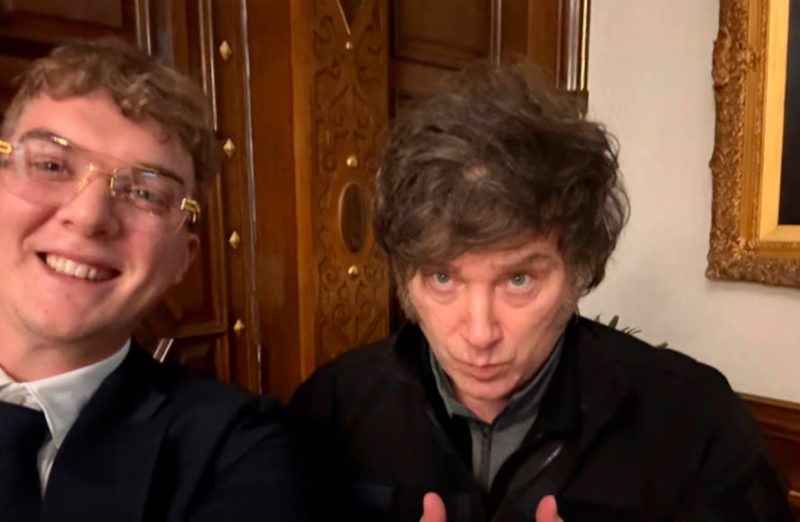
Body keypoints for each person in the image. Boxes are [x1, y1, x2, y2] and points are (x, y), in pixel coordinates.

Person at [288, 63, 793, 521]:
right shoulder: (331, 410)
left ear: (579, 270)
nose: (479, 334)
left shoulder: (695, 425)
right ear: (405, 278)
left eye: (518, 280)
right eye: (443, 278)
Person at [0, 39, 306, 522]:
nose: (89, 216)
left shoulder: (236, 448)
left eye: (145, 193)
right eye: (52, 166)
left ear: (183, 259)